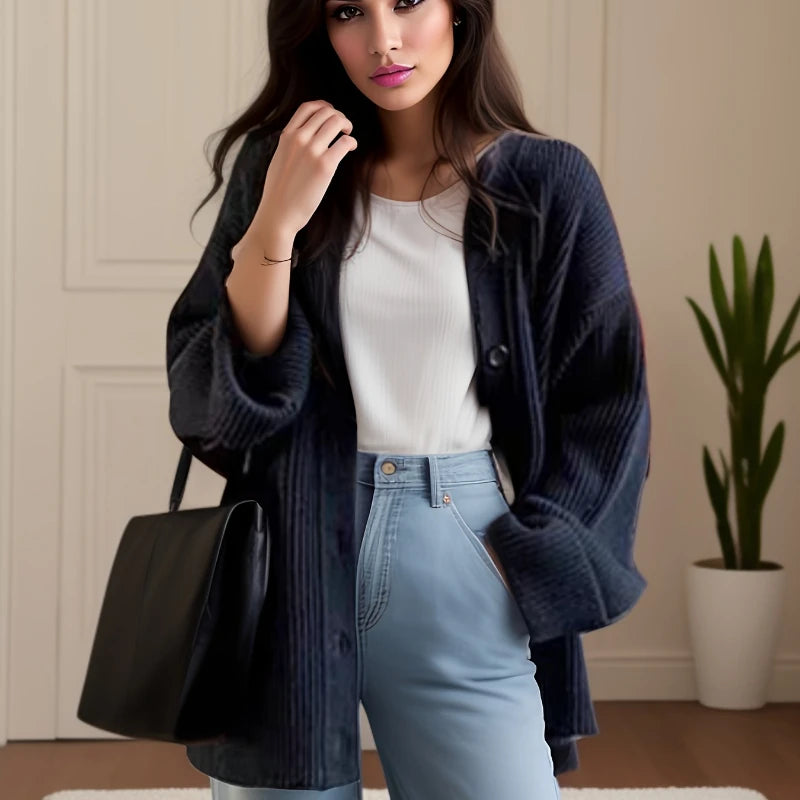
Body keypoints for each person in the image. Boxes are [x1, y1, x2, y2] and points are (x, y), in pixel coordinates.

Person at [165, 0, 652, 797]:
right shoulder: (281, 164)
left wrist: (536, 557)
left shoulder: (547, 182)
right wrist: (275, 227)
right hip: (290, 553)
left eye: (406, 3)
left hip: (458, 547)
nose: (383, 40)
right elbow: (211, 402)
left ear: (460, 12)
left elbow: (607, 401)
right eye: (348, 11)